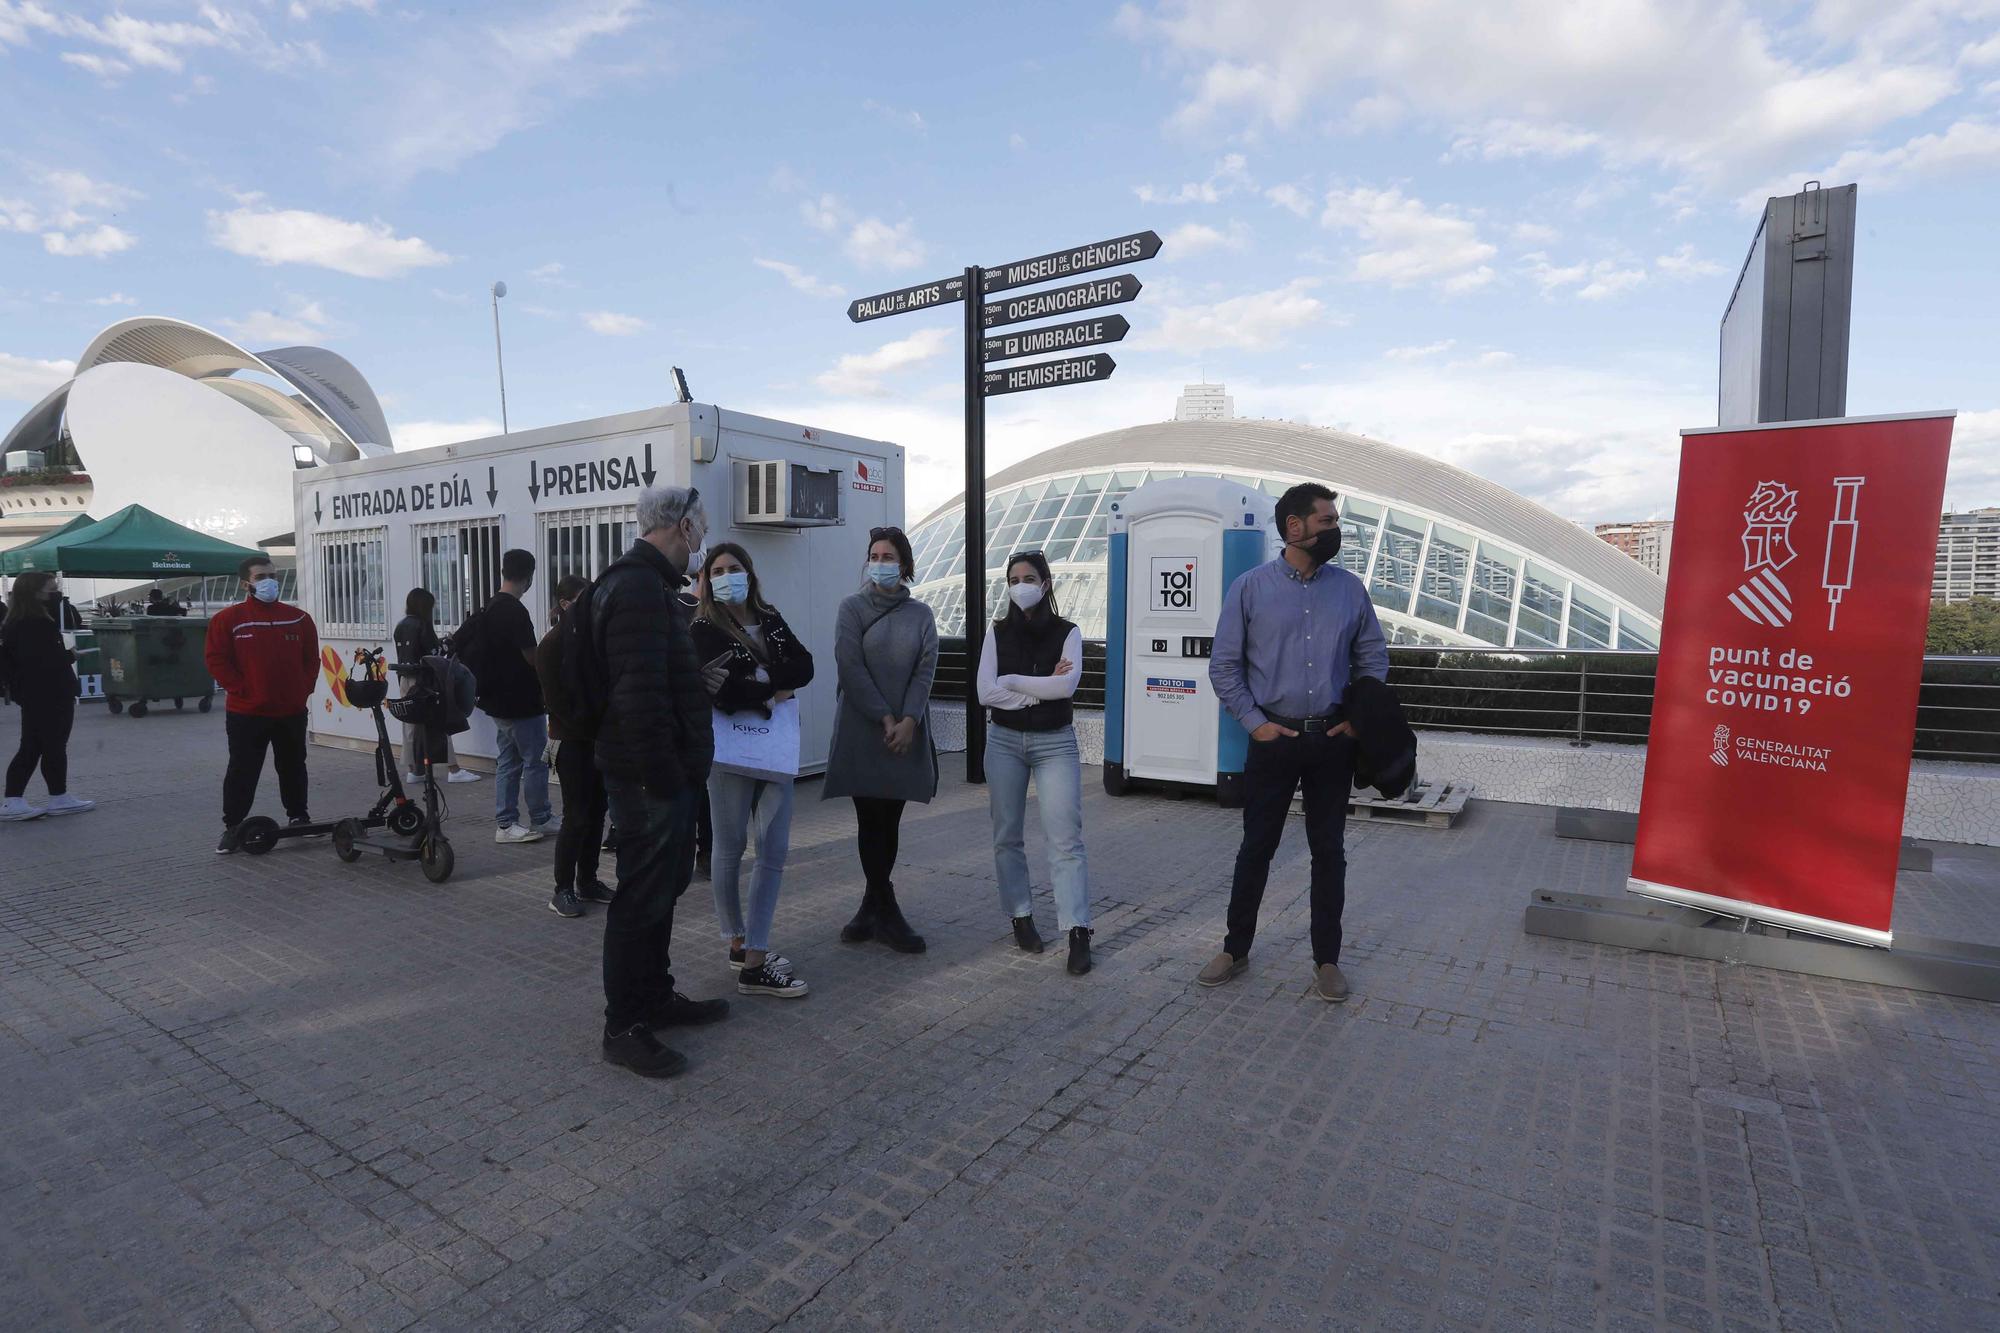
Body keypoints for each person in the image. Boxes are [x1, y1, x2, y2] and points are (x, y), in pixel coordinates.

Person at [1200, 482, 1388, 1003]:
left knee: (1328, 852)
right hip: (1273, 739)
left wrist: (1355, 720)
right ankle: (1235, 950)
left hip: (1331, 740)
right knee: (1256, 848)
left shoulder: (1349, 589)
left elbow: (1373, 658)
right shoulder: (1250, 588)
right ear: (1294, 527)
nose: (1335, 530)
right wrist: (1254, 722)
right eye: (1326, 521)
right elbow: (1224, 665)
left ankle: (1327, 960)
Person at [590, 485, 731, 1077]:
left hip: (659, 773)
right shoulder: (640, 589)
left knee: (660, 891)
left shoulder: (649, 588)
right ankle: (624, 1024)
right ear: (679, 525)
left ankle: (655, 997)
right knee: (640, 897)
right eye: (699, 525)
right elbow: (637, 701)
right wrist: (669, 778)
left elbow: (651, 681)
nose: (702, 537)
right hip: (650, 778)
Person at [689, 543, 814, 998]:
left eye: (735, 568)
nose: (727, 576)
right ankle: (737, 942)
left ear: (749, 572)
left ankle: (756, 957)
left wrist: (759, 681)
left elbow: (806, 666)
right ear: (707, 578)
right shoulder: (703, 628)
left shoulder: (771, 617)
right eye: (718, 570)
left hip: (778, 749)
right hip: (729, 752)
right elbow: (720, 692)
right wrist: (768, 690)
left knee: (773, 849)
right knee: (729, 847)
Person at [977, 551, 1094, 975]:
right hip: (1003, 740)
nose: (1020, 585)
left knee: (1066, 839)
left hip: (1054, 743)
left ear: (1045, 584)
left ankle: (1078, 931)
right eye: (1013, 579)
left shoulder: (1069, 632)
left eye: (1029, 577)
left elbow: (1066, 686)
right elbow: (984, 692)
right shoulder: (997, 631)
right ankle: (1020, 916)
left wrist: (1011, 682)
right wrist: (1035, 689)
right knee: (1006, 835)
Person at [822, 526, 937, 954]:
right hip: (862, 730)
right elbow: (849, 666)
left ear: (904, 564)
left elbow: (924, 671)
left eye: (889, 557)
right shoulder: (851, 608)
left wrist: (908, 720)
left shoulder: (921, 614)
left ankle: (875, 907)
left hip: (904, 734)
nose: (881, 563)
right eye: (875, 556)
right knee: (868, 818)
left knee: (889, 820)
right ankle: (884, 908)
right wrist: (885, 716)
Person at [207, 555, 319, 853]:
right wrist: (243, 689)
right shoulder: (227, 620)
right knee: (243, 770)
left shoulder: (299, 618)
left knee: (293, 766)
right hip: (247, 714)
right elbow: (216, 660)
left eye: (272, 575)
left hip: (291, 711)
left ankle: (299, 817)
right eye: (261, 577)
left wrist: (302, 691)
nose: (269, 581)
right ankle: (233, 827)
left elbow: (312, 660)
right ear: (246, 583)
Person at [464, 549, 554, 845]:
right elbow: (532, 657)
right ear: (528, 577)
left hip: (496, 700)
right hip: (521, 701)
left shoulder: (489, 607)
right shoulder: (515, 611)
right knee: (534, 762)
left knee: (508, 760)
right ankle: (537, 817)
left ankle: (507, 821)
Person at [535, 574, 612, 919]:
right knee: (577, 816)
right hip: (571, 741)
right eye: (585, 599)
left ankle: (589, 880)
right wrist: (592, 722)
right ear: (566, 604)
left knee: (597, 814)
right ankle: (562, 889)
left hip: (598, 739)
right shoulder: (551, 645)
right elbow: (557, 703)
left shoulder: (594, 638)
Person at [2, 572, 93, 820]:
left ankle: (16, 799)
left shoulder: (17, 621)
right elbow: (42, 660)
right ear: (35, 592)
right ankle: (56, 796)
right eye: (51, 589)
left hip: (33, 692)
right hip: (50, 691)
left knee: (34, 745)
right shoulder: (36, 623)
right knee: (51, 745)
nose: (55, 594)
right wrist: (70, 655)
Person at [394, 588, 481, 787]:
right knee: (439, 722)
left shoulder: (401, 625)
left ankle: (414, 770)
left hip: (405, 680)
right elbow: (433, 654)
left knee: (410, 725)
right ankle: (453, 769)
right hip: (424, 682)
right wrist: (447, 644)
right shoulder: (423, 626)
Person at [676, 564, 713, 878]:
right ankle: (694, 853)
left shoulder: (722, 614)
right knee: (694, 795)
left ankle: (707, 852)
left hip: (715, 721)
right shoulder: (681, 609)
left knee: (708, 798)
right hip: (688, 720)